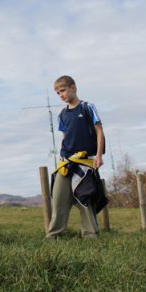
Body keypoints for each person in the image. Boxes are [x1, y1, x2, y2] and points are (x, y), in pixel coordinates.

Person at [46, 75, 106, 239]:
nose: (61, 95)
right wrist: (61, 158)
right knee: (58, 199)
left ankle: (90, 235)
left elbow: (99, 131)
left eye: (63, 90)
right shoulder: (62, 115)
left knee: (84, 197)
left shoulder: (87, 107)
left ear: (73, 88)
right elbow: (65, 137)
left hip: (85, 161)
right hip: (66, 162)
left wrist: (99, 156)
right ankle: (54, 235)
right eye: (58, 93)